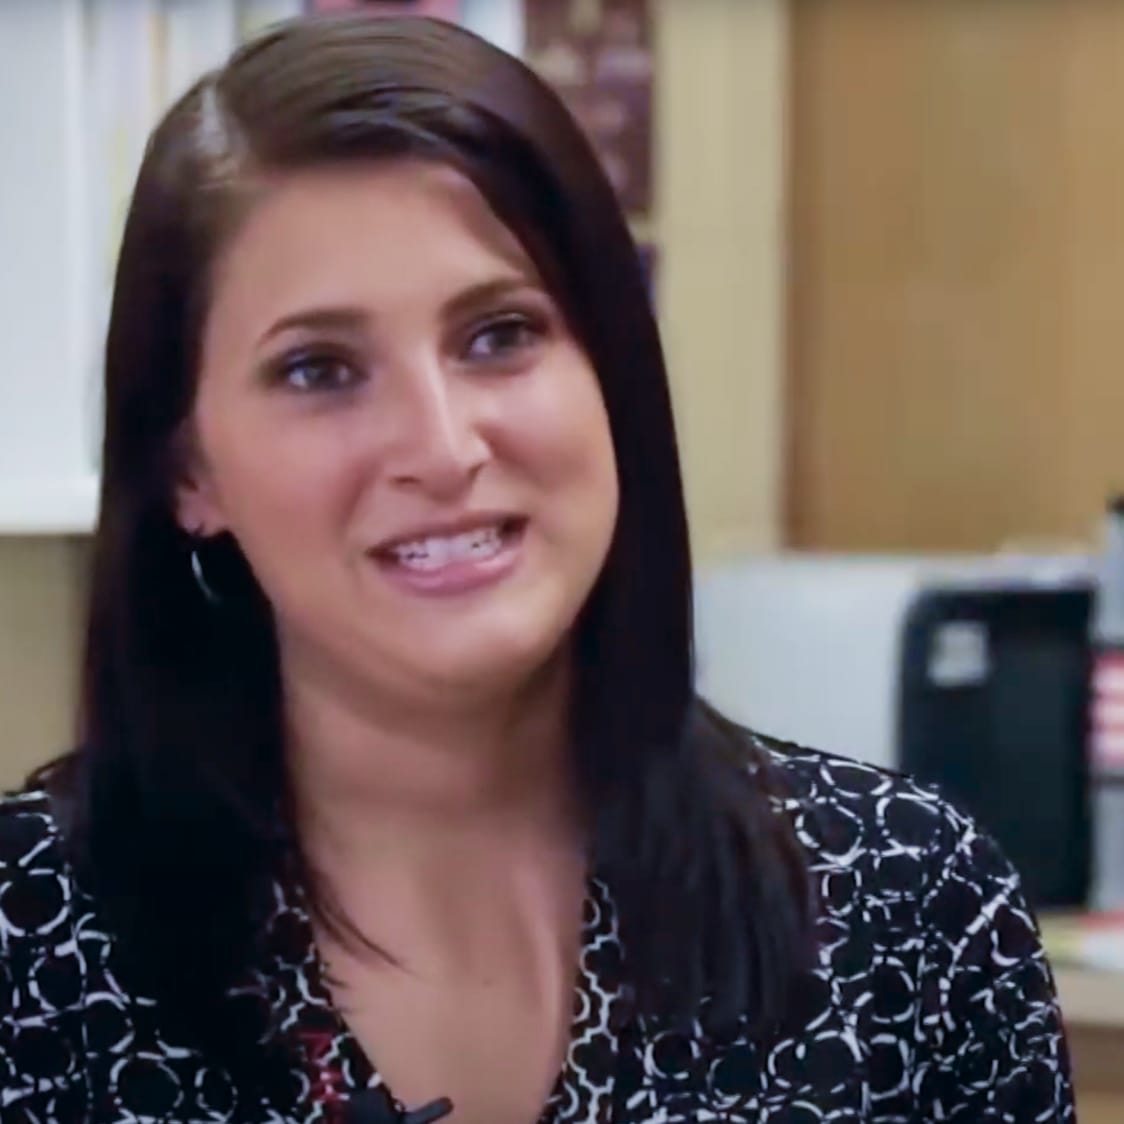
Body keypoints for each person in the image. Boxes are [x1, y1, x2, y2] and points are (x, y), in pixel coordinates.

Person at [0, 13, 1073, 1124]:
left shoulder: (909, 913)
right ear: (189, 469)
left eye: (498, 334)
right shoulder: (29, 948)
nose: (441, 445)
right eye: (319, 368)